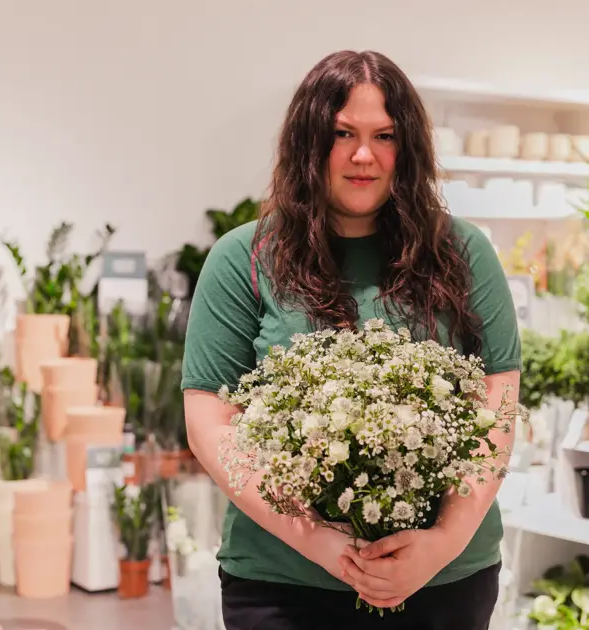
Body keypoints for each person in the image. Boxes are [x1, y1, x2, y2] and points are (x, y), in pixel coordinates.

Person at [182, 49, 522, 630]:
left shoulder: (464, 253)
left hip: (443, 583)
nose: (364, 155)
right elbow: (210, 424)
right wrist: (324, 545)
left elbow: (499, 404)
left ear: (408, 148)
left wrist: (442, 542)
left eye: (384, 135)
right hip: (284, 585)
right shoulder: (244, 258)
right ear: (309, 141)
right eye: (343, 133)